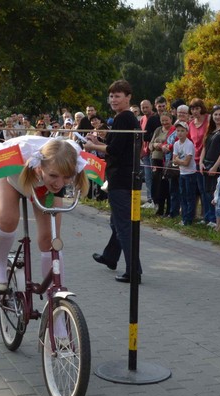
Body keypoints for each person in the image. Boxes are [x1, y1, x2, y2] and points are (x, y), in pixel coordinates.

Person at [0, 136, 89, 293]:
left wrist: (56, 179)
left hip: (42, 186)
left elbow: (61, 177)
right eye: (54, 175)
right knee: (8, 219)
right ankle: (0, 264)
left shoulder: (73, 153)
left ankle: (55, 299)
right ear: (40, 166)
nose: (59, 183)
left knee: (50, 238)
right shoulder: (21, 149)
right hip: (12, 175)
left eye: (67, 177)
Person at [85, 79, 143, 283]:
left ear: (128, 98)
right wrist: (98, 142)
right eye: (111, 96)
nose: (113, 99)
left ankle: (134, 271)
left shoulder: (123, 118)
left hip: (121, 177)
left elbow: (114, 151)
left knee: (124, 224)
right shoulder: (124, 119)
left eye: (118, 96)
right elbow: (117, 146)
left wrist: (94, 147)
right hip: (126, 176)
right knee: (116, 221)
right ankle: (111, 256)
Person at [171, 120, 198, 226]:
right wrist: (178, 161)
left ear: (186, 132)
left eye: (182, 131)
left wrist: (178, 161)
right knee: (182, 195)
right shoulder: (176, 144)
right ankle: (184, 217)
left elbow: (186, 162)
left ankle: (189, 219)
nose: (180, 133)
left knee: (190, 196)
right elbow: (174, 160)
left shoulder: (189, 144)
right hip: (182, 173)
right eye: (178, 131)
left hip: (190, 173)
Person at [149, 112, 173, 216]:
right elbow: (150, 144)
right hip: (155, 159)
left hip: (166, 161)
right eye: (162, 120)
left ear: (171, 120)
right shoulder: (158, 130)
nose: (164, 123)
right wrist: (155, 144)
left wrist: (163, 146)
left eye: (166, 120)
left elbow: (172, 144)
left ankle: (169, 209)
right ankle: (159, 207)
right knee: (157, 184)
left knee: (166, 185)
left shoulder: (173, 131)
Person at [139, 99, 161, 209]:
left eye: (147, 107)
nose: (145, 109)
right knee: (147, 177)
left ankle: (153, 199)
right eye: (143, 107)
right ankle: (149, 198)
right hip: (144, 151)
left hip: (153, 152)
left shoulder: (155, 118)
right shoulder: (142, 119)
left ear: (151, 106)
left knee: (153, 177)